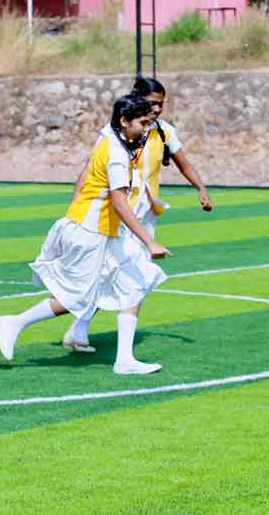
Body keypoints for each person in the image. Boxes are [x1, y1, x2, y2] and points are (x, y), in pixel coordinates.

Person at [0, 93, 169, 375]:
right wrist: (149, 241)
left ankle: (124, 360)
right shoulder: (116, 153)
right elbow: (119, 203)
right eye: (142, 123)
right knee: (77, 298)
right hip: (91, 232)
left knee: (135, 282)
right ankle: (15, 322)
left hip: (101, 231)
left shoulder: (112, 141)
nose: (146, 129)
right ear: (124, 121)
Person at [63, 75, 213, 353]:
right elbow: (89, 169)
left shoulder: (164, 132)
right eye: (152, 103)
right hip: (118, 213)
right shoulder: (114, 133)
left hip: (145, 215)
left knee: (124, 276)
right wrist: (76, 204)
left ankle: (84, 332)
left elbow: (184, 163)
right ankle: (89, 335)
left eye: (161, 104)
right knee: (121, 276)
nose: (157, 109)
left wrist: (201, 188)